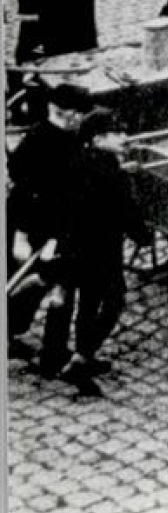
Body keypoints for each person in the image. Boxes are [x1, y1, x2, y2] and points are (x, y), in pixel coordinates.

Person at [53, 110, 147, 395]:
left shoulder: (78, 161)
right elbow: (126, 213)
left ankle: (84, 354)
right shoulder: (112, 176)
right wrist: (143, 236)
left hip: (75, 248)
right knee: (114, 300)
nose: (124, 138)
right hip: (104, 251)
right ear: (98, 139)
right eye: (117, 133)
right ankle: (82, 358)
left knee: (87, 303)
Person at [6, 83, 92, 377]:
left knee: (37, 284)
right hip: (45, 233)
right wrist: (27, 237)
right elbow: (30, 192)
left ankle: (13, 331)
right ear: (66, 114)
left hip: (35, 227)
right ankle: (52, 354)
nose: (81, 120)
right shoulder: (59, 147)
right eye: (79, 114)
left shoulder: (38, 133)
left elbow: (16, 172)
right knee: (59, 289)